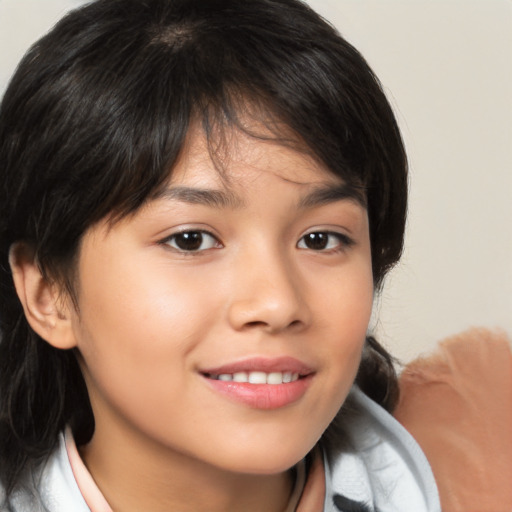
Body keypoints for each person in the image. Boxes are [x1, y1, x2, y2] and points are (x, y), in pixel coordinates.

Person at [0, 0, 440, 510]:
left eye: (320, 239)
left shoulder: (477, 476)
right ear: (47, 291)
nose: (277, 303)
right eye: (191, 239)